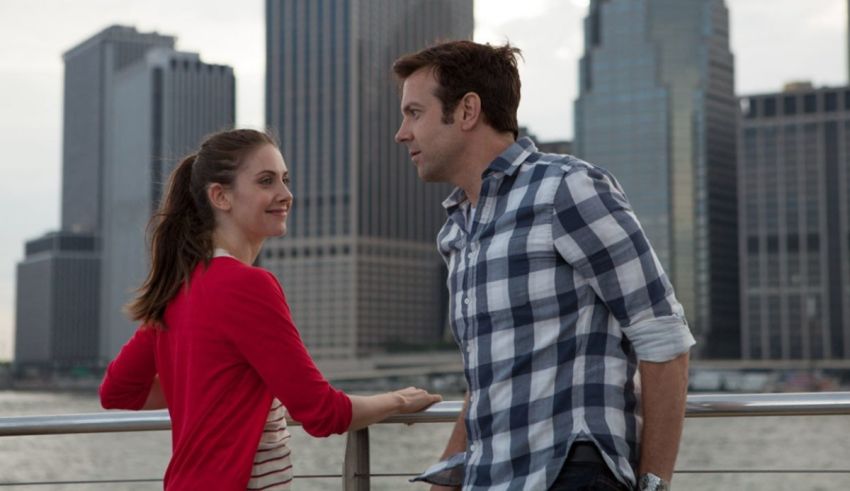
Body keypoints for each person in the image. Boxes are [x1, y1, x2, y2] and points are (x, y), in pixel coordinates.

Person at [392, 41, 695, 491]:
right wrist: (445, 479)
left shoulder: (566, 189)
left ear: (467, 110)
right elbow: (488, 380)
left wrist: (653, 484)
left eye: (414, 113)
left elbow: (663, 337)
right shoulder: (457, 231)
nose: (402, 132)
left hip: (569, 474)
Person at [99, 128, 442, 490]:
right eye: (266, 181)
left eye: (285, 179)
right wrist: (399, 400)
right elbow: (322, 413)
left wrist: (217, 386)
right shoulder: (248, 285)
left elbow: (118, 390)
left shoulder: (180, 286)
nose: (286, 194)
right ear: (220, 196)